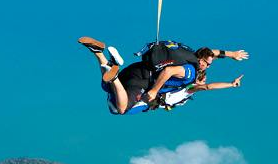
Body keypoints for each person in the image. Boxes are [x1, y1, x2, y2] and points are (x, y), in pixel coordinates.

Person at [79, 37, 247, 115]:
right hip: (144, 83)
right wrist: (231, 85)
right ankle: (114, 73)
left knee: (107, 86)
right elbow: (206, 86)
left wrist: (231, 54)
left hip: (137, 69)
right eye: (207, 66)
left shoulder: (191, 55)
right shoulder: (190, 76)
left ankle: (98, 53)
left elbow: (210, 54)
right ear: (202, 66)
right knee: (120, 109)